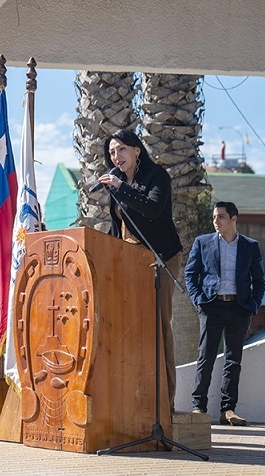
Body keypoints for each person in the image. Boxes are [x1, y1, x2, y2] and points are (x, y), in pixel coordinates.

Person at [96, 128, 182, 410]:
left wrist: (122, 189)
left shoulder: (156, 176)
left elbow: (153, 209)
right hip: (129, 259)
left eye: (121, 149)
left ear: (136, 150)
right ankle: (134, 397)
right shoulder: (117, 182)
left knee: (158, 325)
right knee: (129, 324)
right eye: (111, 152)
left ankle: (165, 403)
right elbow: (117, 225)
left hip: (161, 257)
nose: (116, 156)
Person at [184, 201, 265, 426]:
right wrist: (199, 301)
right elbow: (190, 274)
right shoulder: (203, 242)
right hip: (211, 306)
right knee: (206, 357)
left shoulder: (250, 246)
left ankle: (228, 410)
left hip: (239, 308)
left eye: (221, 217)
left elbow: (259, 280)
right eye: (214, 217)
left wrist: (253, 305)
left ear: (233, 219)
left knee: (233, 360)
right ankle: (198, 406)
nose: (216, 221)